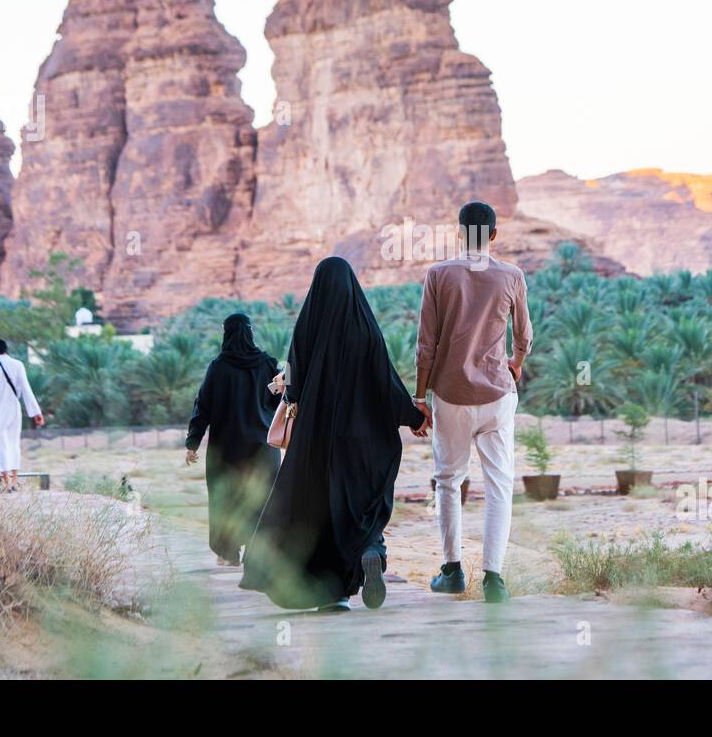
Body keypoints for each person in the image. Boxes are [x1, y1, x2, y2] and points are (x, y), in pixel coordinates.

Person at [239, 257, 428, 612]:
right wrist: (412, 415)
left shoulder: (307, 326)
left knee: (322, 509)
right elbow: (385, 381)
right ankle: (373, 548)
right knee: (364, 502)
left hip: (319, 440)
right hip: (365, 441)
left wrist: (288, 393)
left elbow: (293, 384)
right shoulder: (365, 328)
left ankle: (333, 592)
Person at [416, 201, 533, 604]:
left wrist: (419, 396)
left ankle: (452, 570)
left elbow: (425, 347)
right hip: (498, 395)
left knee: (448, 481)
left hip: (450, 396)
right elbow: (525, 337)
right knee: (499, 485)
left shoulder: (438, 275)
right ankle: (494, 578)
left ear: (460, 233)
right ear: (494, 235)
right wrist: (514, 365)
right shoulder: (512, 276)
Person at [185, 314, 282, 566]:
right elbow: (280, 401)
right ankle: (259, 551)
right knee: (262, 499)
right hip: (264, 447)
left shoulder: (218, 367)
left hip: (227, 449)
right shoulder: (269, 364)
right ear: (250, 332)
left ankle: (228, 554)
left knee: (226, 499)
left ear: (226, 333)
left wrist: (192, 443)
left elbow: (202, 407)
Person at [0, 339, 43, 492]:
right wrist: (36, 412)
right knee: (13, 442)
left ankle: (5, 480)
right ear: (6, 350)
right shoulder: (18, 364)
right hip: (13, 409)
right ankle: (14, 480)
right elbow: (26, 389)